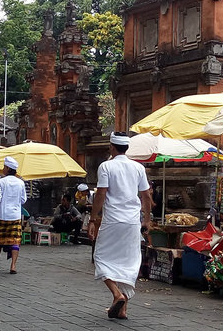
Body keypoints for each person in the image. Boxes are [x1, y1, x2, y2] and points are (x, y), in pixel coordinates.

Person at [88, 132, 151, 320]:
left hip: (113, 220)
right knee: (128, 262)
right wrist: (147, 219)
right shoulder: (138, 167)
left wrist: (92, 219)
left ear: (112, 147)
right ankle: (123, 309)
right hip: (132, 222)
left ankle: (117, 294)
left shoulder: (106, 166)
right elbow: (146, 195)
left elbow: (101, 194)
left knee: (100, 257)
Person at [0, 156, 26, 274]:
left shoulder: (0, 182)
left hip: (3, 215)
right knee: (15, 240)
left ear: (8, 168)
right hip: (15, 215)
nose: (3, 169)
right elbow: (23, 200)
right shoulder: (21, 183)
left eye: (4, 167)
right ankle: (13, 265)